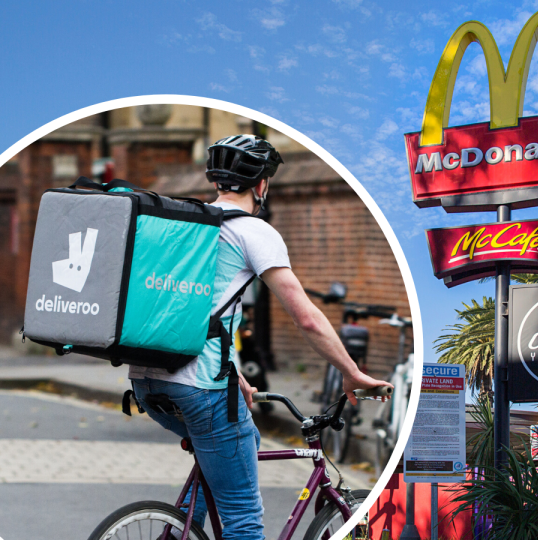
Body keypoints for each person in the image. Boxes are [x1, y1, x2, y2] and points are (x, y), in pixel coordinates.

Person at [128, 134, 392, 539]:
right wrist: (351, 372)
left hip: (147, 377)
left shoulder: (188, 224)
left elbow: (196, 310)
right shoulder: (254, 231)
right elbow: (307, 319)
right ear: (261, 185)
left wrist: (236, 376)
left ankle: (176, 529)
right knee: (243, 514)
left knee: (231, 451)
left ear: (216, 181)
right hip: (199, 386)